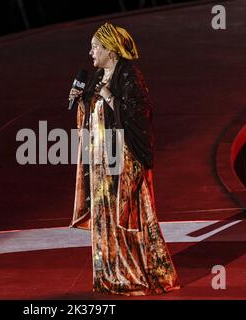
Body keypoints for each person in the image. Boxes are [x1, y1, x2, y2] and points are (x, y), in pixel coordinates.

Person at [69, 22, 180, 296]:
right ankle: (109, 273)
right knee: (104, 216)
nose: (91, 52)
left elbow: (137, 117)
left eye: (95, 47)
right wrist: (82, 101)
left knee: (129, 214)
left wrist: (109, 97)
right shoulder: (95, 77)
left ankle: (136, 272)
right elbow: (93, 117)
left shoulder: (130, 76)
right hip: (99, 163)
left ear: (111, 50)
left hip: (123, 160)